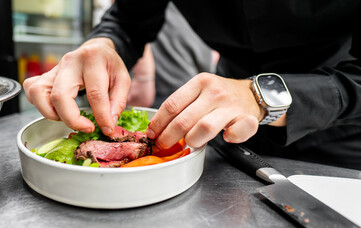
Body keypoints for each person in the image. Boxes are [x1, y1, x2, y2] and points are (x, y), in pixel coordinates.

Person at [23, 1, 361, 169]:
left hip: (340, 129)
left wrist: (259, 96)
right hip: (224, 126)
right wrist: (102, 45)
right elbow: (129, 19)